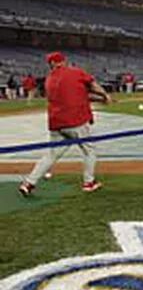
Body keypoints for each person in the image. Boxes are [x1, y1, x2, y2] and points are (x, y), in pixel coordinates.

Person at [18, 52, 112, 197]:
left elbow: (79, 95)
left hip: (56, 123)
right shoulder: (75, 72)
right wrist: (104, 95)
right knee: (89, 151)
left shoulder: (49, 79)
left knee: (51, 155)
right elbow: (92, 86)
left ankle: (29, 183)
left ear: (51, 64)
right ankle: (89, 182)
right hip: (75, 120)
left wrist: (100, 99)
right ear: (63, 61)